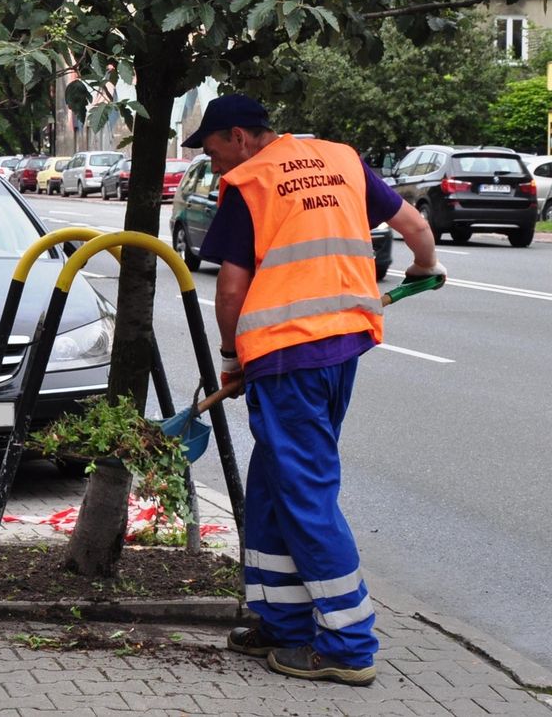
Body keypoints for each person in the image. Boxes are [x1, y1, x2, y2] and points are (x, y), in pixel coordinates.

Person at [185, 95, 444, 687]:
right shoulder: (341, 160)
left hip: (285, 358)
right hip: (340, 347)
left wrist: (230, 359)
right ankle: (284, 623)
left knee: (304, 491)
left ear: (241, 137)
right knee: (274, 482)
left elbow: (229, 290)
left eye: (213, 147)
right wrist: (425, 267)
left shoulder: (249, 183)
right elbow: (415, 227)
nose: (212, 160)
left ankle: (350, 645)